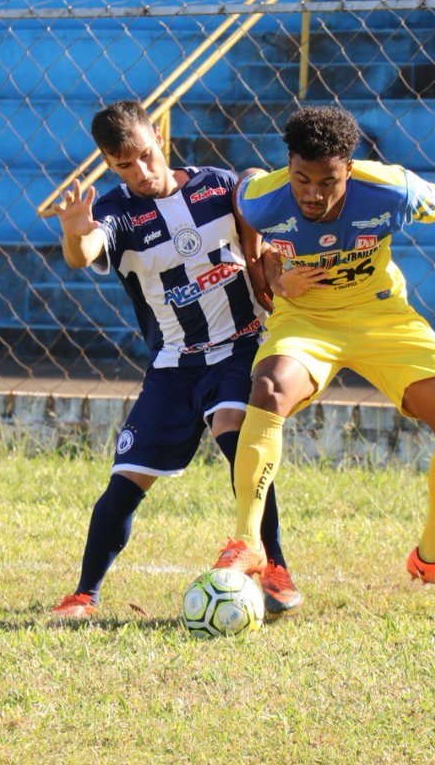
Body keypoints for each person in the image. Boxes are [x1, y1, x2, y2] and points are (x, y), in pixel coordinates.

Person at [212, 105, 435, 607]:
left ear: (349, 168)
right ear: (289, 166)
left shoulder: (390, 188)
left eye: (329, 181)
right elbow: (246, 210)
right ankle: (247, 542)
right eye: (302, 179)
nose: (313, 193)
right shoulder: (264, 195)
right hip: (306, 321)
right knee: (269, 388)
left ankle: (433, 556)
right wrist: (269, 279)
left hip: (382, 317)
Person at [47, 100, 302, 619]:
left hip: (240, 347)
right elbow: (87, 252)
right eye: (123, 165)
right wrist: (75, 232)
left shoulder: (216, 185)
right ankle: (84, 593)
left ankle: (274, 567)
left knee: (236, 433)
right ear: (108, 163)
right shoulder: (116, 212)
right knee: (126, 482)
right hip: (171, 364)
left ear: (158, 136)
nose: (139, 172)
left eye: (144, 155)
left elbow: (263, 232)